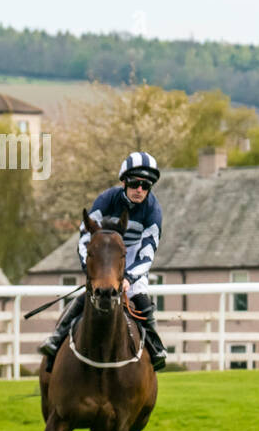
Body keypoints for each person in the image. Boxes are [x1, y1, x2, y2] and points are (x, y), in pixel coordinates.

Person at [40, 151, 168, 371]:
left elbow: (148, 253)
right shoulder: (106, 199)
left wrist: (128, 277)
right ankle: (56, 338)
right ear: (124, 182)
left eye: (146, 186)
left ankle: (156, 347)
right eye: (135, 183)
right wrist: (92, 270)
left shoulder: (153, 210)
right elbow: (84, 236)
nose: (140, 190)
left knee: (142, 300)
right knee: (88, 296)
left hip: (133, 261)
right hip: (103, 260)